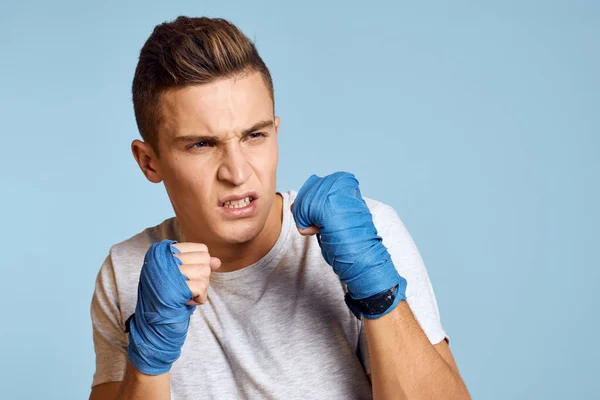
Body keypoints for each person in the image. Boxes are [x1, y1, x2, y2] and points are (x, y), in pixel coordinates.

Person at [88, 16, 470, 400]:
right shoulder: (126, 271)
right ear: (148, 161)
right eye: (201, 144)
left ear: (275, 132)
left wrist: (378, 292)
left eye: (254, 136)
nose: (237, 173)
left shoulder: (369, 233)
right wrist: (149, 356)